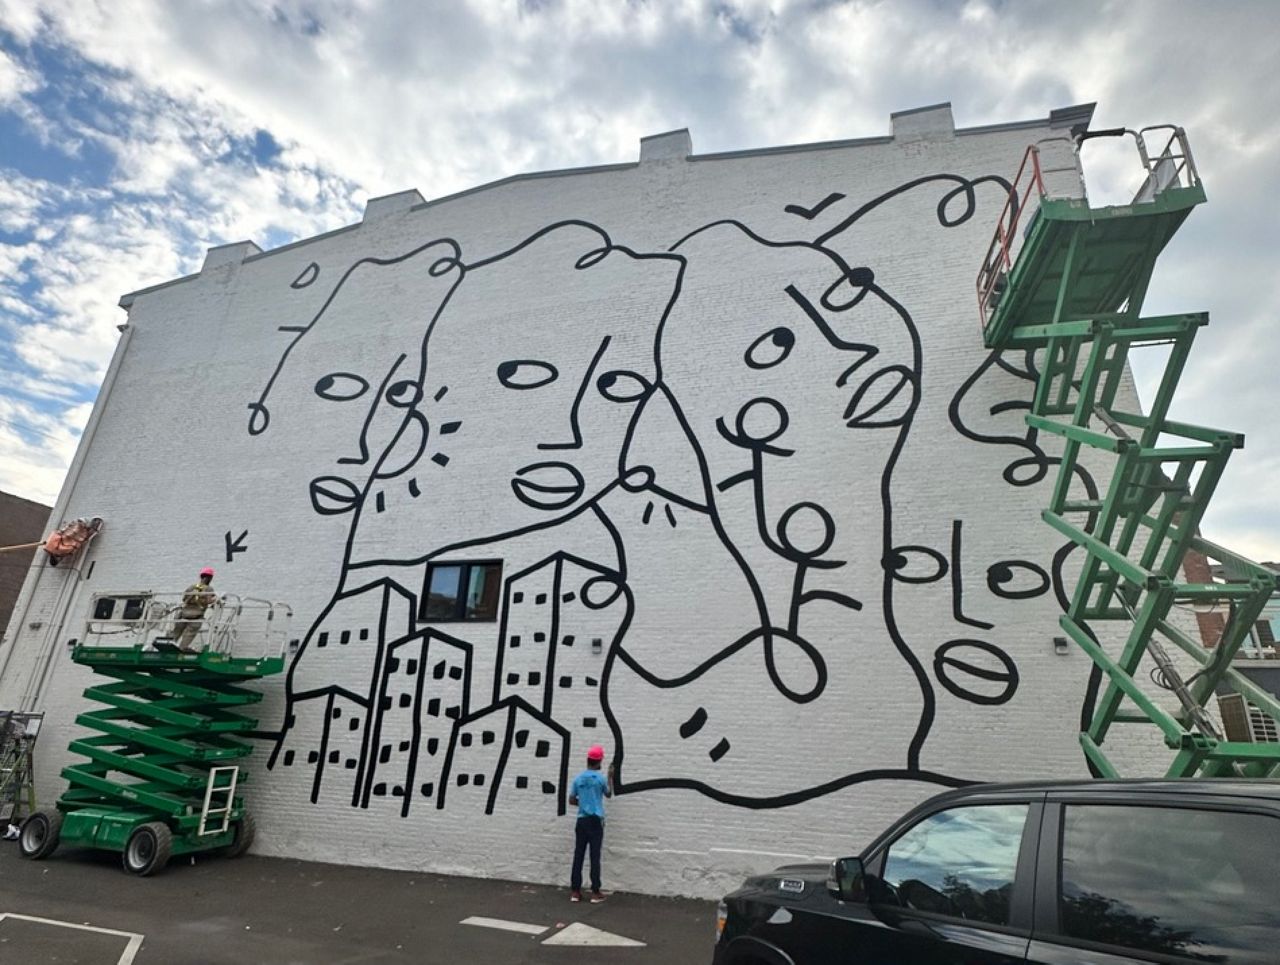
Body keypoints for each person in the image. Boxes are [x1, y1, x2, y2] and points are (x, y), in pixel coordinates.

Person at [568, 744, 614, 903]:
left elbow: (571, 799)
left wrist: (583, 804)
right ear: (599, 761)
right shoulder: (600, 779)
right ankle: (595, 892)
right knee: (595, 856)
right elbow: (608, 794)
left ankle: (575, 891)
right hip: (596, 820)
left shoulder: (578, 778)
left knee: (578, 855)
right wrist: (610, 777)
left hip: (581, 820)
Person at [171, 567, 217, 652]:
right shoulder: (209, 589)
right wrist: (217, 600)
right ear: (209, 578)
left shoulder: (192, 587)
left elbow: (184, 599)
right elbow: (209, 601)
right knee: (188, 636)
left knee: (175, 634)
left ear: (201, 576)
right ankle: (181, 650)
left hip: (183, 615)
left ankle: (167, 648)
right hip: (196, 618)